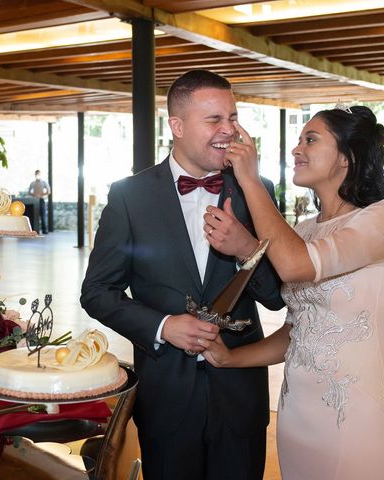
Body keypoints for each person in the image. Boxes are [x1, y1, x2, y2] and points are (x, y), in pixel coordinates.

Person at [200, 105, 384, 479]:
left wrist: (251, 182)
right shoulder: (303, 231)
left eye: (311, 139)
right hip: (297, 414)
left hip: (353, 413)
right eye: (299, 139)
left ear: (346, 157)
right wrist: (230, 359)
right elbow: (299, 332)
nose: (296, 149)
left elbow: (293, 266)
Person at [80, 70, 285, 480]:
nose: (229, 131)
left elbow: (279, 296)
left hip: (240, 397)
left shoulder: (256, 188)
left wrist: (247, 247)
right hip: (166, 397)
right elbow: (97, 292)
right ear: (176, 125)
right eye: (215, 120)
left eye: (233, 117)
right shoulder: (129, 197)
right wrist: (163, 326)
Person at [28, 169, 50, 234]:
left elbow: (48, 191)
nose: (37, 175)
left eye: (38, 174)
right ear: (35, 175)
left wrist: (42, 194)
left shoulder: (44, 182)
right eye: (36, 174)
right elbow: (29, 192)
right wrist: (34, 195)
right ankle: (34, 230)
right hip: (34, 201)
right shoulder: (32, 183)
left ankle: (44, 230)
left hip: (41, 200)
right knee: (34, 215)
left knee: (43, 215)